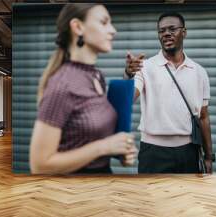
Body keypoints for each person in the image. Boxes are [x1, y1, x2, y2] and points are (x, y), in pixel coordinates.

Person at [29, 3, 137, 175]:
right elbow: (39, 165)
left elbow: (91, 136)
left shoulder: (96, 76)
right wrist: (103, 147)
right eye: (104, 22)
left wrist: (119, 150)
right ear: (78, 27)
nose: (113, 30)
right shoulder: (62, 85)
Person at [124, 12, 213, 174]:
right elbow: (128, 99)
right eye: (162, 30)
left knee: (187, 198)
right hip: (153, 152)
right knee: (151, 199)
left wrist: (208, 156)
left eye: (172, 29)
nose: (166, 33)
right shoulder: (144, 67)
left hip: (189, 151)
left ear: (184, 32)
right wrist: (128, 74)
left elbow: (204, 117)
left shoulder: (199, 72)